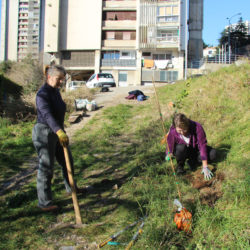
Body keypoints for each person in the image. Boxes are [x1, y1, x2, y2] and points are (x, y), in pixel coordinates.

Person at [32, 65, 79, 211]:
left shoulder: (55, 92)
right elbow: (47, 115)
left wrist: (61, 131)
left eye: (62, 80)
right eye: (59, 79)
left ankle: (71, 188)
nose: (61, 83)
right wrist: (59, 131)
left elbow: (59, 114)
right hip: (44, 133)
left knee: (67, 161)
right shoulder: (42, 94)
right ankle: (44, 203)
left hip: (58, 131)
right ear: (49, 77)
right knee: (46, 167)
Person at [166, 113, 216, 180]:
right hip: (183, 151)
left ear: (188, 125)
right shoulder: (172, 131)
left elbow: (202, 146)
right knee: (180, 148)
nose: (182, 132)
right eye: (179, 131)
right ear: (175, 128)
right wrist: (168, 153)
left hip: (196, 150)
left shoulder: (197, 127)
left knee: (213, 154)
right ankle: (180, 166)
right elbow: (169, 144)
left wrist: (205, 166)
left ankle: (192, 162)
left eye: (184, 129)